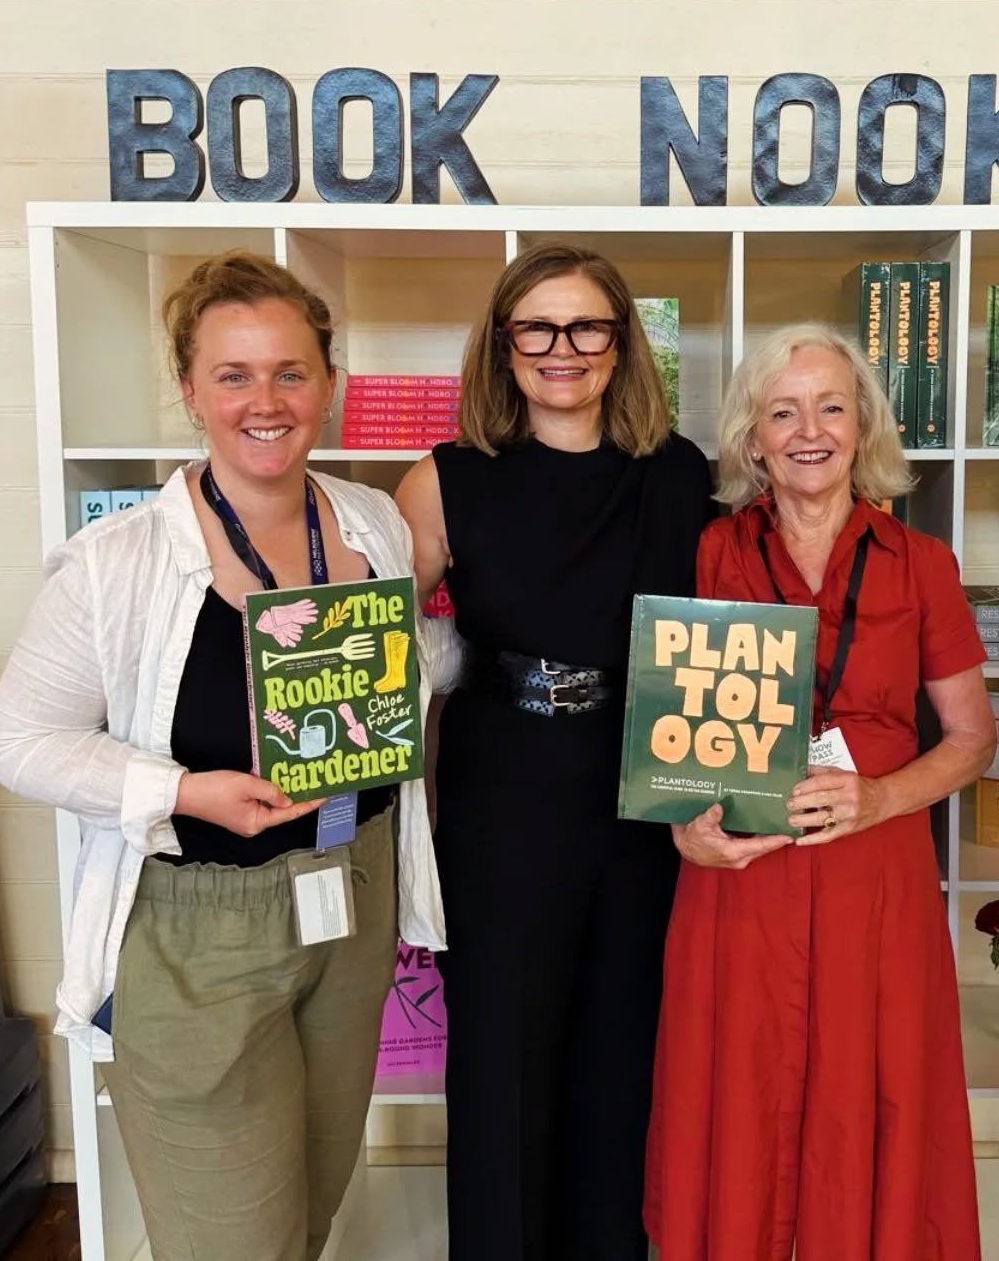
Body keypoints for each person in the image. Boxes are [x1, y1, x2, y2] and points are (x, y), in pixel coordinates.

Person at [0, 253, 453, 1261]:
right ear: (190, 391)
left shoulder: (369, 522)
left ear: (329, 383)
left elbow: (405, 663)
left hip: (354, 892)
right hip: (197, 929)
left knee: (311, 1208)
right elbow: (17, 742)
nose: (264, 402)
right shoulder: (117, 564)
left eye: (290, 372)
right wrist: (183, 791)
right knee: (230, 1239)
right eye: (233, 375)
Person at [644, 323, 995, 1261]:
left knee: (869, 1102)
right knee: (738, 1099)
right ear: (752, 437)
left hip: (873, 879)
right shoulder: (706, 553)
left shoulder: (921, 564)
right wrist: (685, 830)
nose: (810, 432)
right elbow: (667, 732)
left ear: (863, 425)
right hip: (739, 877)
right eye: (783, 412)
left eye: (831, 408)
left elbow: (972, 740)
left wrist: (878, 799)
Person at [394, 241, 715, 1261]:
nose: (561, 348)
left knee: (621, 1047)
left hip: (641, 786)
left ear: (622, 344)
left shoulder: (681, 474)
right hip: (502, 789)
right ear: (503, 344)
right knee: (502, 1053)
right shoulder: (443, 479)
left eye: (586, 326)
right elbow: (385, 645)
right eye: (536, 326)